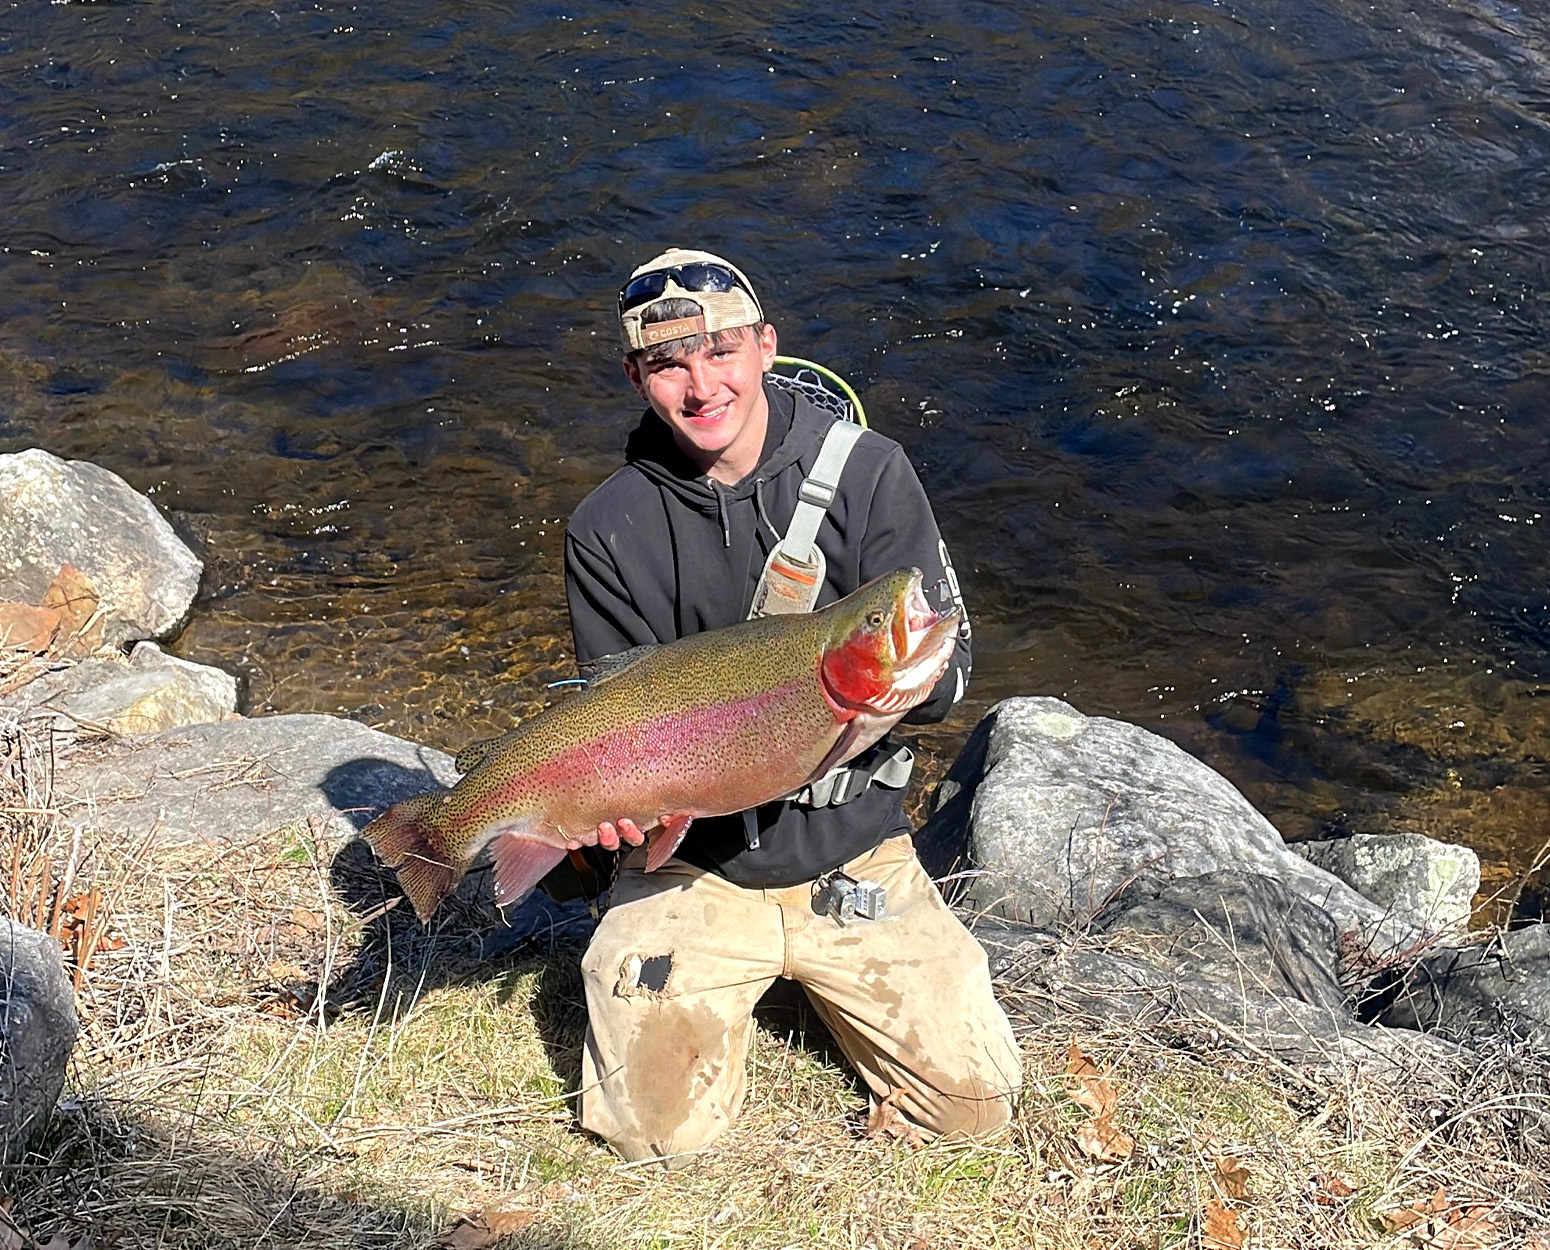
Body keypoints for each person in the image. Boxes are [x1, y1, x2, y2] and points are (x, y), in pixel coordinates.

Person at [562, 247, 1022, 1166]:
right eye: (669, 365)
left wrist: (923, 679)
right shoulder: (605, 527)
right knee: (651, 1139)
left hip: (856, 851)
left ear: (767, 347)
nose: (703, 385)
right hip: (696, 863)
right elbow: (613, 715)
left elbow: (954, 670)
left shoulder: (870, 473)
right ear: (636, 376)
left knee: (975, 1109)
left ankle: (810, 979)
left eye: (723, 351)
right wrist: (602, 814)